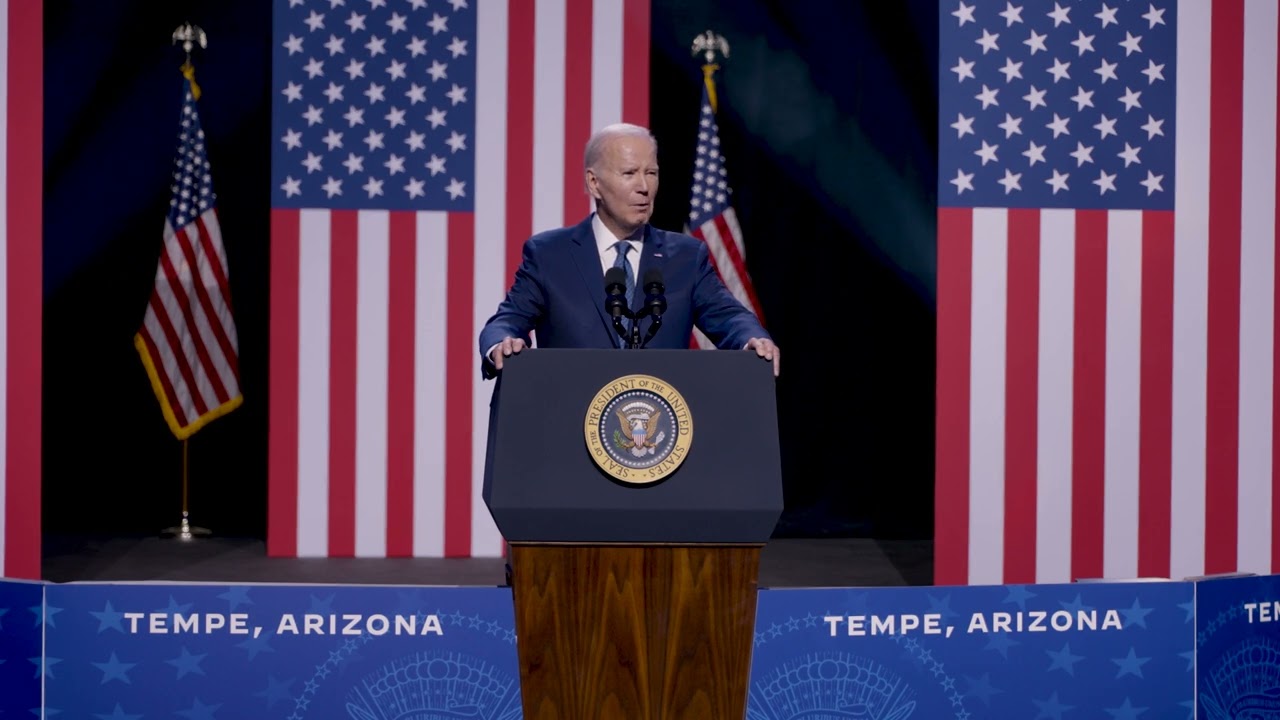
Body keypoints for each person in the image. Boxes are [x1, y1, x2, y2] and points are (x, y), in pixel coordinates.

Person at [477, 122, 779, 379]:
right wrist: (502, 344)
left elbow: (730, 317)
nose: (644, 187)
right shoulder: (548, 255)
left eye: (651, 172)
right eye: (629, 173)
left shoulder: (686, 257)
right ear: (594, 183)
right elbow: (507, 321)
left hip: (659, 432)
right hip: (570, 426)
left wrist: (752, 340)